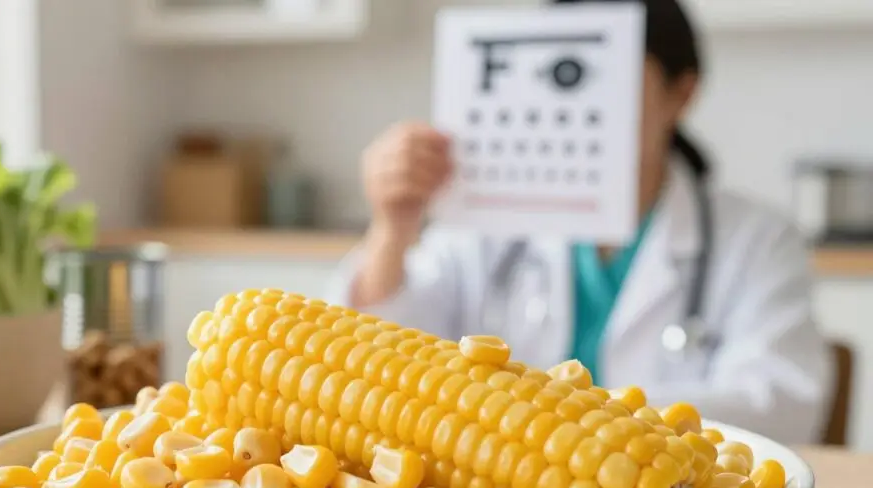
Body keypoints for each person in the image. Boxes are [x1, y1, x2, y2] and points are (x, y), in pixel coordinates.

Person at [326, 0, 832, 445]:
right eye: (557, 73)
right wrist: (393, 228)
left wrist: (563, 422)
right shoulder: (483, 224)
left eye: (606, 73)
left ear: (680, 94)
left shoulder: (757, 240)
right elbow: (378, 365)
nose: (576, 103)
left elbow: (778, 407)